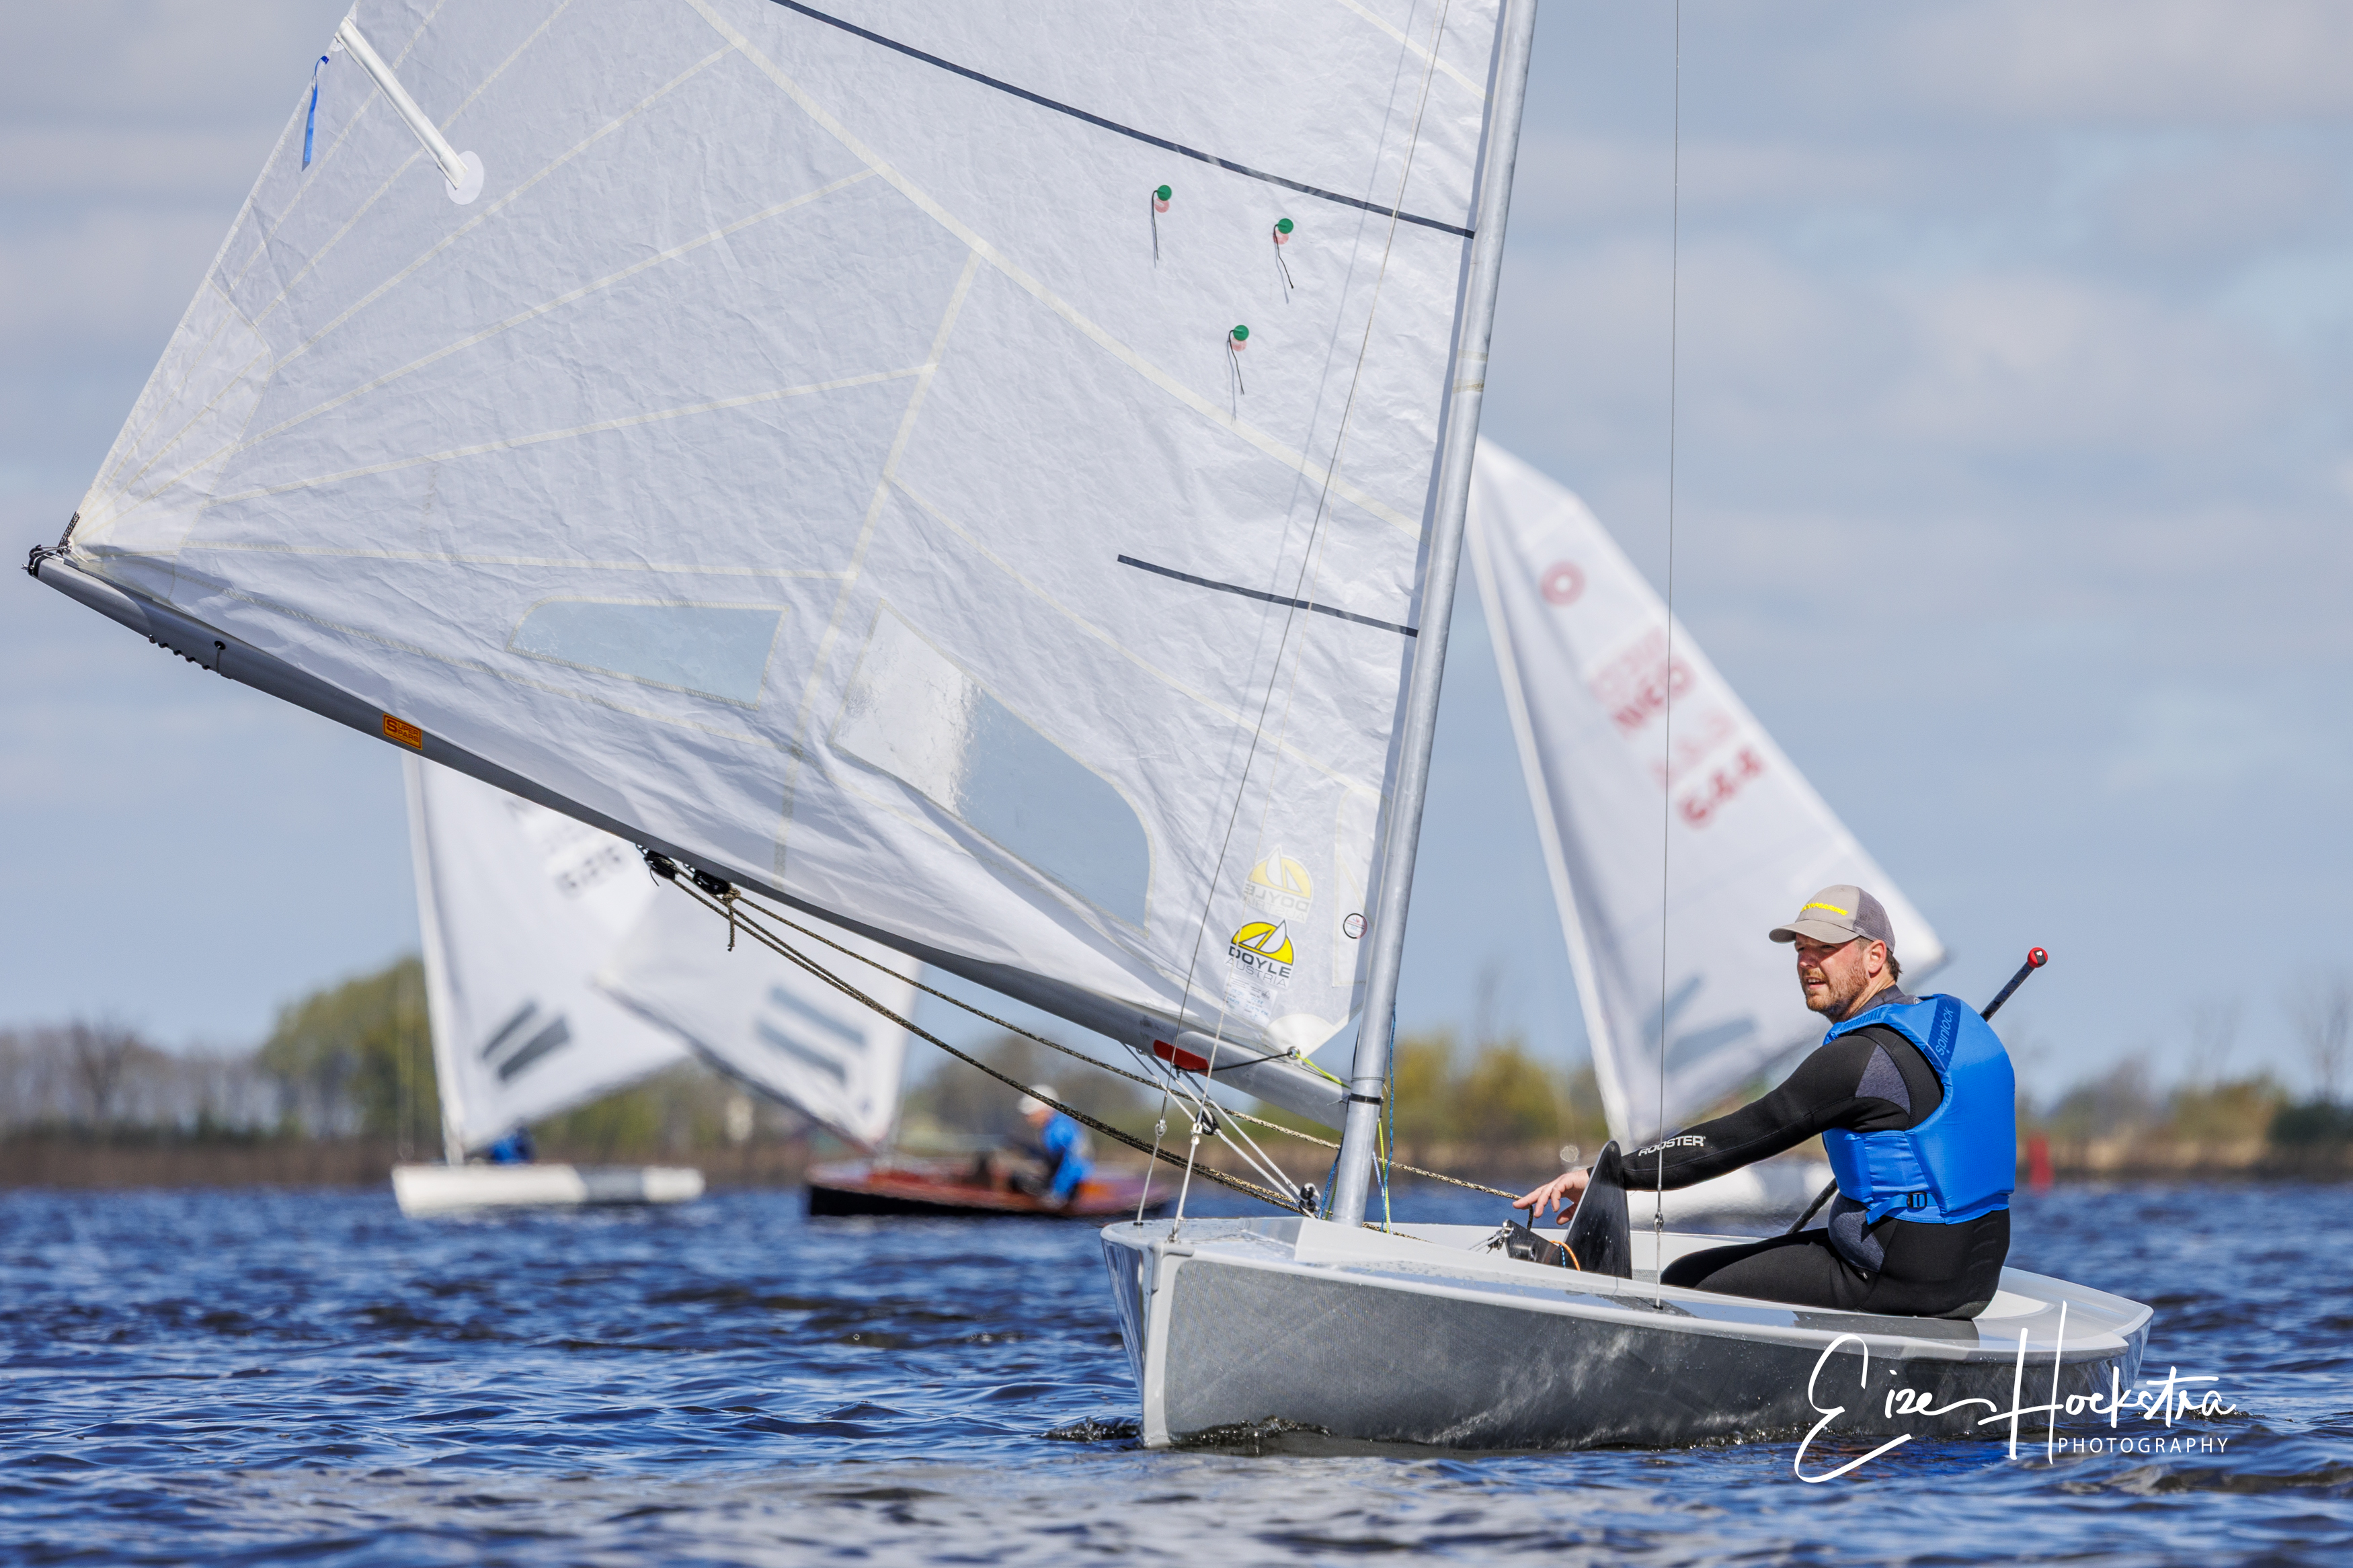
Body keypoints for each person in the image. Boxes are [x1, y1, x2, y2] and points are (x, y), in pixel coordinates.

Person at [1514, 884, 2015, 1318]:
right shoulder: (1950, 1022)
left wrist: (1613, 1176)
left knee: (1687, 1279)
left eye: (1825, 948)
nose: (1806, 962)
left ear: (1875, 958)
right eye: (1800, 948)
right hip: (1976, 1275)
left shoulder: (1858, 1058)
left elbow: (1735, 1138)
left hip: (1900, 1274)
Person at [1008, 1086, 1092, 1208]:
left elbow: (1073, 1161)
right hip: (1067, 1182)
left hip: (1074, 1186)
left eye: (1030, 1114)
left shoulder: (1059, 1129)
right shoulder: (1057, 1124)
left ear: (1045, 1110)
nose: (1028, 1118)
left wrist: (1058, 1193)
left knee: (1017, 1181)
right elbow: (1054, 1158)